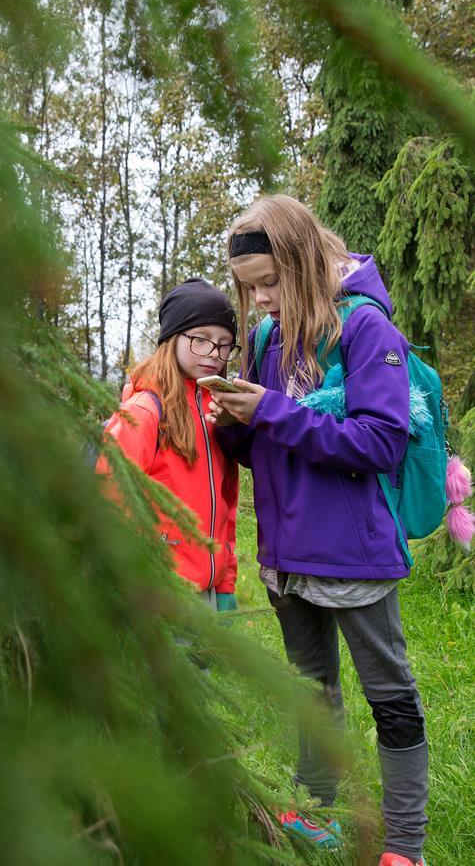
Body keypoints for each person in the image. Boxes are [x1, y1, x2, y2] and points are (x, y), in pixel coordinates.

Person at [207, 195, 428, 866]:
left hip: (353, 555)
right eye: (251, 290)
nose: (263, 300)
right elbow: (266, 448)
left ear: (303, 260)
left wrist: (271, 412)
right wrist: (234, 426)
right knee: (311, 692)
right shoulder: (265, 340)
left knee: (388, 694)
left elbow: (380, 442)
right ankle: (317, 814)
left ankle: (405, 845)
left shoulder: (364, 330)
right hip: (284, 556)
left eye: (271, 284)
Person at [97, 279, 240, 611]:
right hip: (156, 593)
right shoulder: (144, 412)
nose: (214, 354)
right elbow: (112, 498)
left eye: (224, 345)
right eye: (201, 340)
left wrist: (225, 583)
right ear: (172, 338)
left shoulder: (218, 412)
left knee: (200, 667)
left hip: (204, 594)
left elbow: (227, 504)